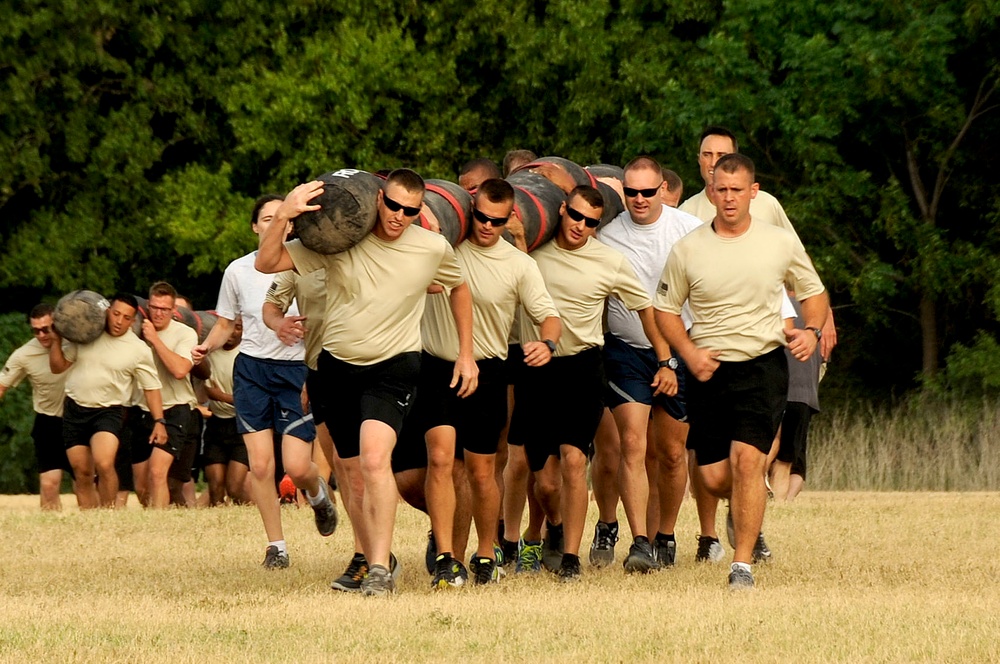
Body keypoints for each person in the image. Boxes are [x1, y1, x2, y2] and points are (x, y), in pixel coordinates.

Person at [255, 168, 477, 596]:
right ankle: (370, 556)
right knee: (353, 474)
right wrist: (284, 214)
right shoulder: (341, 239)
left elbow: (459, 287)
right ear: (378, 199)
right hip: (337, 368)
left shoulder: (432, 247)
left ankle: (378, 568)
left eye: (410, 210)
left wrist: (466, 354)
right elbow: (267, 262)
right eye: (393, 205)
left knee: (377, 462)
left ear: (419, 211)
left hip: (395, 368)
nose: (399, 216)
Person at [654, 153, 828, 589]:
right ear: (711, 191)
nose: (729, 198)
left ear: (753, 192)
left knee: (748, 461)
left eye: (737, 190)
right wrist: (688, 354)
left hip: (763, 365)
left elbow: (815, 294)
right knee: (713, 477)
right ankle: (748, 505)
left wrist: (811, 330)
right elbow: (664, 310)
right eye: (721, 189)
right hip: (709, 369)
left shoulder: (778, 241)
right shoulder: (689, 248)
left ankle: (742, 565)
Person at [409, 178, 560, 587]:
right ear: (469, 209)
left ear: (510, 217)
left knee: (480, 471)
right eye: (480, 217)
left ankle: (485, 551)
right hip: (437, 366)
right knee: (442, 460)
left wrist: (547, 343)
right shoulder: (445, 247)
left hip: (488, 371)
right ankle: (446, 557)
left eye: (496, 220)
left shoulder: (519, 265)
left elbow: (549, 315)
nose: (486, 227)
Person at [509, 185, 657, 582]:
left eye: (591, 222)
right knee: (544, 482)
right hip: (536, 370)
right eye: (575, 216)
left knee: (576, 461)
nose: (581, 226)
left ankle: (571, 559)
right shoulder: (534, 253)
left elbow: (645, 308)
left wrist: (665, 358)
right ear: (562, 210)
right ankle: (552, 525)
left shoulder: (609, 261)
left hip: (583, 367)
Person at [192, 194, 337, 570]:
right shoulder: (238, 271)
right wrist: (205, 347)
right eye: (267, 219)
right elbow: (225, 322)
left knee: (297, 466)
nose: (276, 225)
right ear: (256, 226)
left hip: (297, 370)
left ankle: (318, 494)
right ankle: (277, 546)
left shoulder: (311, 264)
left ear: (292, 225)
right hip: (253, 370)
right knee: (260, 466)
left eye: (283, 219)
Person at [593, 156, 703, 570]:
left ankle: (665, 535)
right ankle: (638, 540)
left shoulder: (689, 231)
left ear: (663, 190)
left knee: (672, 453)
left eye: (647, 192)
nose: (639, 200)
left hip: (680, 347)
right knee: (632, 445)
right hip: (626, 349)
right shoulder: (607, 235)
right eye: (631, 192)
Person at [48, 294, 167, 509]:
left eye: (126, 317)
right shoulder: (88, 333)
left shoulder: (138, 349)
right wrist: (56, 341)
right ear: (107, 312)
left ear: (133, 321)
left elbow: (151, 388)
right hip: (75, 408)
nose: (119, 321)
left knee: (104, 463)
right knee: (82, 471)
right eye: (116, 314)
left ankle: (108, 512)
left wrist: (159, 421)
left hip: (108, 412)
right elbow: (57, 367)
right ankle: (90, 520)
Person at [119, 282, 201, 509]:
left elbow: (180, 370)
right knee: (142, 485)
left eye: (164, 309)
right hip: (141, 409)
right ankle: (153, 518)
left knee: (157, 473)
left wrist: (155, 340)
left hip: (176, 408)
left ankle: (161, 522)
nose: (158, 313)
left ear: (173, 310)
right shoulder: (136, 331)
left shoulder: (185, 333)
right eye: (154, 307)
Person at [0, 304, 72, 510]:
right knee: (49, 485)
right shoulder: (24, 354)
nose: (41, 335)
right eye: (36, 330)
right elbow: (2, 386)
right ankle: (51, 531)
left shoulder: (75, 343)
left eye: (46, 329)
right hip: (48, 421)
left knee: (86, 480)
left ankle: (96, 529)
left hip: (80, 418)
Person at [769, 295, 823, 500]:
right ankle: (783, 503)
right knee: (788, 460)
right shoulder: (815, 317)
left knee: (767, 445)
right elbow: (824, 360)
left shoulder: (770, 303)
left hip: (775, 389)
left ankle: (751, 487)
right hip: (804, 395)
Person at [201, 316, 250, 505]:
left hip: (241, 426)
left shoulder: (246, 356)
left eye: (237, 327)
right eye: (227, 327)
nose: (231, 332)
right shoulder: (209, 353)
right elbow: (205, 389)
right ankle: (217, 524)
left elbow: (248, 400)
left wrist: (220, 396)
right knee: (215, 487)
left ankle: (247, 517)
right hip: (216, 423)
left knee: (235, 487)